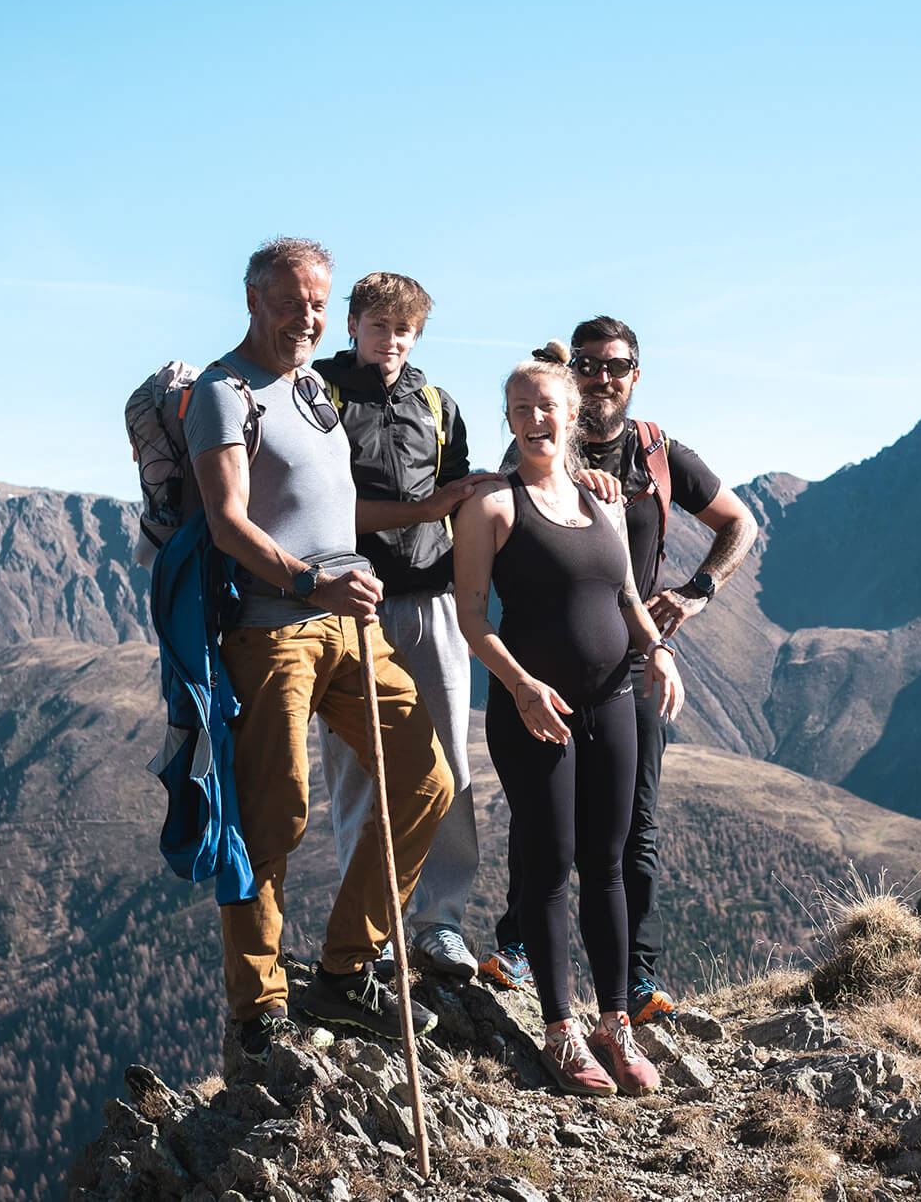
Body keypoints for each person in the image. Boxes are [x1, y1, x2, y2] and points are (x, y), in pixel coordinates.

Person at [186, 236, 454, 1066]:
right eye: (292, 299)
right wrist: (312, 584)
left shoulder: (311, 389)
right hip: (274, 629)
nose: (307, 316)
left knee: (428, 780)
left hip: (351, 621)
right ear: (254, 300)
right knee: (275, 817)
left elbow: (335, 508)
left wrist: (418, 520)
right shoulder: (223, 393)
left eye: (318, 302)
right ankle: (259, 1007)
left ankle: (345, 969)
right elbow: (230, 523)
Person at [480, 316, 756, 1026]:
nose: (604, 376)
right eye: (589, 365)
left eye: (618, 365)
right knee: (544, 818)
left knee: (631, 825)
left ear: (637, 374)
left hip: (630, 660)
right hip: (544, 660)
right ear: (570, 377)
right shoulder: (540, 449)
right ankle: (519, 948)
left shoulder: (659, 456)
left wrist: (697, 594)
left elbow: (740, 523)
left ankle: (634, 979)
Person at [453, 349, 683, 1095]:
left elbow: (625, 597)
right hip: (535, 711)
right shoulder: (491, 506)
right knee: (548, 868)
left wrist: (659, 652)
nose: (532, 420)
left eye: (544, 406)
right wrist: (519, 687)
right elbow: (469, 618)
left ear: (572, 414)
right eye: (518, 409)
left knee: (608, 865)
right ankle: (561, 1034)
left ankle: (615, 1024)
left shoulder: (603, 503)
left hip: (614, 701)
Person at [314, 271, 502, 978]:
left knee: (448, 762)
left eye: (405, 329)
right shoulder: (320, 398)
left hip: (432, 603)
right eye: (378, 326)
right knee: (361, 767)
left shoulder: (436, 402)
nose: (391, 341)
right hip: (352, 605)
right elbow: (319, 506)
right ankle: (376, 930)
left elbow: (458, 498)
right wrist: (422, 513)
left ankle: (439, 921)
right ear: (353, 325)